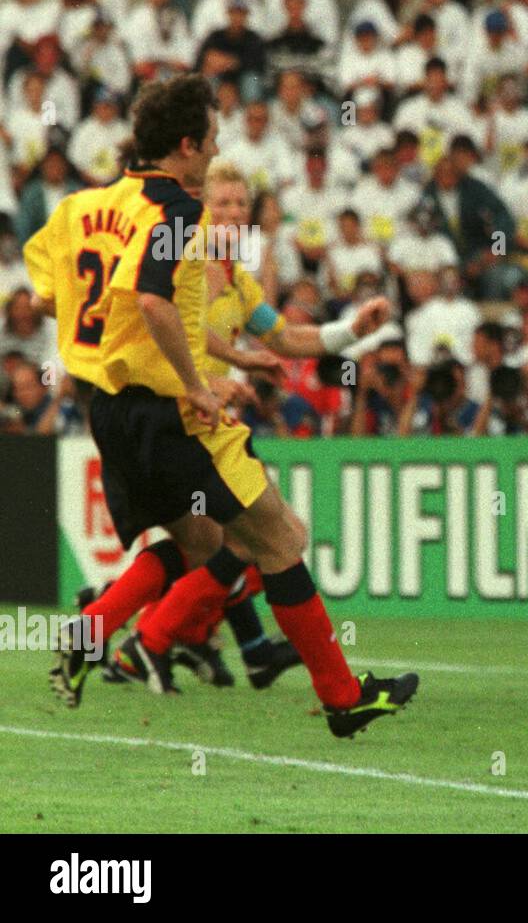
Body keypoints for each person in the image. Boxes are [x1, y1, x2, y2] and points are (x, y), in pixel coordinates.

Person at [38, 74, 416, 738]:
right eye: (211, 142)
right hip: (171, 410)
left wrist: (238, 357)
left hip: (109, 409)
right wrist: (196, 382)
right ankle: (343, 695)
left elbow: (50, 295)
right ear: (186, 146)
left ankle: (91, 632)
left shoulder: (79, 209)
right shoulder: (175, 214)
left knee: (205, 544)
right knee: (280, 539)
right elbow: (153, 299)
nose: (216, 153)